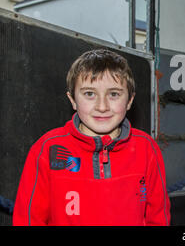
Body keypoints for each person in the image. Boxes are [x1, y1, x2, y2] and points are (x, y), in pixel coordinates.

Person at [13, 49, 170, 226]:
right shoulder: (47, 149)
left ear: (129, 101)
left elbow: (158, 216)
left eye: (114, 94)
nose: (102, 106)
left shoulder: (146, 148)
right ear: (72, 100)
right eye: (89, 94)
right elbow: (28, 220)